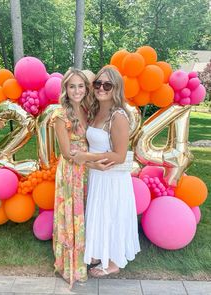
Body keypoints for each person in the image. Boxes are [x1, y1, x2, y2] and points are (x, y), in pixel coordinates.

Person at [72, 67, 140, 277]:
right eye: (98, 84)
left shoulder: (118, 116)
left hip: (112, 178)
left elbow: (119, 155)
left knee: (111, 216)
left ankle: (112, 262)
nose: (101, 88)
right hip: (98, 174)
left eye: (107, 85)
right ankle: (97, 251)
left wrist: (85, 158)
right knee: (99, 215)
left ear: (116, 88)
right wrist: (90, 163)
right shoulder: (95, 109)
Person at [52, 68, 90, 287]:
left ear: (86, 88)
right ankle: (71, 265)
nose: (77, 90)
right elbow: (67, 153)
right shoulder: (60, 115)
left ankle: (88, 257)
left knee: (85, 214)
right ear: (65, 89)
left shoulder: (88, 110)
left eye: (81, 86)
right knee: (72, 216)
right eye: (72, 86)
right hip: (71, 172)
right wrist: (93, 160)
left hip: (88, 170)